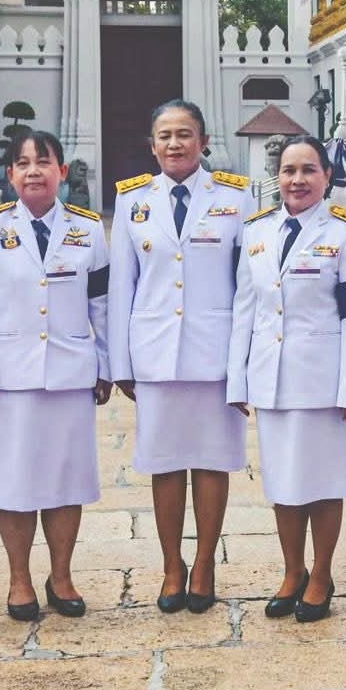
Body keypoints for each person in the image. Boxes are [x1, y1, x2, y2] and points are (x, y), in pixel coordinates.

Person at [0, 131, 112, 621]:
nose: (33, 172)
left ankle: (62, 575)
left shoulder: (89, 230)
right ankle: (19, 578)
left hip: (71, 374)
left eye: (43, 163)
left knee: (67, 481)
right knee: (14, 482)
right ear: (10, 175)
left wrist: (107, 365)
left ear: (62, 172)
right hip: (9, 379)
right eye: (23, 164)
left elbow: (102, 305)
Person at [108, 101, 251, 613]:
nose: (175, 144)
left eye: (185, 134)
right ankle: (172, 566)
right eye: (165, 136)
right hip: (155, 354)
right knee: (165, 465)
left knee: (213, 464)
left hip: (215, 353)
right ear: (152, 145)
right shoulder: (132, 201)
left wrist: (245, 362)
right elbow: (122, 285)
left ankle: (206, 562)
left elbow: (248, 286)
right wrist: (118, 364)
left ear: (203, 141)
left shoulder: (236, 197)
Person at [228, 137, 346, 623]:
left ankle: (322, 573)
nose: (297, 180)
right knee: (283, 482)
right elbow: (244, 309)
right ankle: (292, 571)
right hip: (271, 377)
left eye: (309, 170)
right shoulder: (257, 233)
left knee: (324, 482)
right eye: (289, 170)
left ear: (327, 177)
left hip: (324, 378)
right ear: (277, 177)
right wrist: (237, 380)